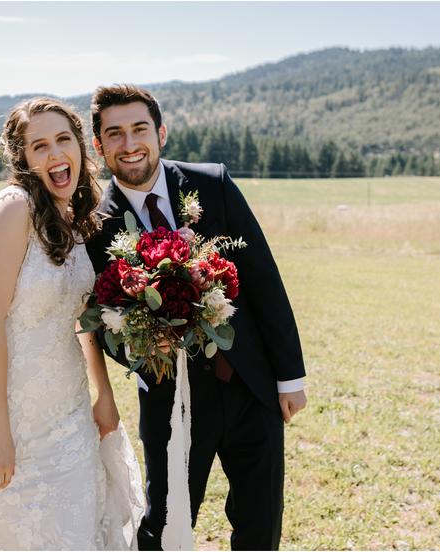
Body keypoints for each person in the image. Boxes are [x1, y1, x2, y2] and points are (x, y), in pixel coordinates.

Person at [85, 84, 308, 551]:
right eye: (115, 134)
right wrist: (139, 344)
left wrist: (289, 377)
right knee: (165, 526)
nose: (130, 144)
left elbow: (263, 278)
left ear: (161, 132)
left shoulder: (212, 184)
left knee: (262, 521)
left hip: (251, 383)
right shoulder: (93, 225)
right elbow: (100, 321)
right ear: (99, 145)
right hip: (171, 400)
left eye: (140, 129)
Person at [0, 97, 143, 550]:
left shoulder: (75, 218)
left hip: (67, 413)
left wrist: (105, 396)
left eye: (62, 140)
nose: (55, 154)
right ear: (23, 159)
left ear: (79, 145)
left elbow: (83, 321)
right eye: (39, 146)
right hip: (3, 412)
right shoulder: (15, 208)